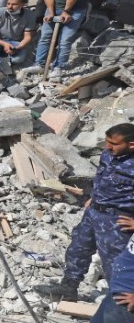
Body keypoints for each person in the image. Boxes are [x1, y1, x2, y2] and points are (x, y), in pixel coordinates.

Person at [38, 124, 134, 302]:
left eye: (113, 143)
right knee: (77, 249)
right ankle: (68, 288)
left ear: (131, 145)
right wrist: (93, 197)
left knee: (115, 264)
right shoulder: (108, 155)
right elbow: (102, 177)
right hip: (94, 212)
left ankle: (120, 307)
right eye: (107, 142)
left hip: (117, 220)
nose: (107, 147)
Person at [31, 0, 89, 78]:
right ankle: (39, 65)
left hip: (75, 9)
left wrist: (66, 11)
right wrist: (51, 12)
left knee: (65, 40)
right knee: (45, 36)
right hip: (54, 7)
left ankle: (59, 67)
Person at [0, 0, 36, 79]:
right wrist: (4, 44)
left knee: (19, 58)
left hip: (14, 42)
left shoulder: (29, 15)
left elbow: (28, 36)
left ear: (22, 4)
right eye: (8, 3)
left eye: (14, 4)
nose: (10, 7)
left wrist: (18, 48)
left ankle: (0, 59)